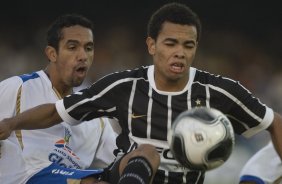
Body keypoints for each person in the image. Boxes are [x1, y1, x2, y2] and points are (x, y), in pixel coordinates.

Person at [0, 2, 282, 184]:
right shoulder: (124, 85)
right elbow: (57, 111)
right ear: (151, 45)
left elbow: (275, 122)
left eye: (188, 45)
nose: (180, 53)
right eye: (171, 43)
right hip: (130, 174)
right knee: (146, 152)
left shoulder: (220, 90)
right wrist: (12, 123)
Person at [0, 14, 160, 184]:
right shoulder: (18, 87)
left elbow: (116, 160)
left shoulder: (95, 117)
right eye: (72, 47)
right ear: (52, 53)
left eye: (88, 48)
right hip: (27, 176)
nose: (83, 55)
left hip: (77, 178)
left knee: (145, 154)